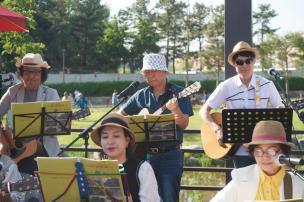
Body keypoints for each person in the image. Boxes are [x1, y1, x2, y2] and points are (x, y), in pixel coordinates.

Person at [118, 53, 193, 202]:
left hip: (169, 156)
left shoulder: (179, 93)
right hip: (142, 156)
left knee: (168, 197)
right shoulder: (141, 95)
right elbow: (119, 115)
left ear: (164, 72)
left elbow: (184, 123)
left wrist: (176, 110)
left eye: (153, 71)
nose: (149, 75)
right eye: (146, 72)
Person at [199, 41, 284, 168]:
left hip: (264, 149)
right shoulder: (225, 86)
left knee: (265, 186)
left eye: (248, 61)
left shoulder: (267, 85)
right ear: (234, 64)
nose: (244, 65)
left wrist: (280, 110)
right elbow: (203, 111)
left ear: (254, 61)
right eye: (240, 62)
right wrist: (217, 129)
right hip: (239, 151)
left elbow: (280, 108)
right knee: (244, 186)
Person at [0, 53, 61, 201]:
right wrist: (3, 141)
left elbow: (58, 124)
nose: (31, 76)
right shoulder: (13, 92)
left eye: (35, 72)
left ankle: (17, 194)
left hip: (43, 149)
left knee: (32, 149)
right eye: (27, 71)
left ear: (42, 74)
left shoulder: (51, 94)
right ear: (21, 74)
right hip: (15, 147)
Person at [211, 120, 304, 202]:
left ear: (284, 151)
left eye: (271, 151)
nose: (264, 156)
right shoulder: (241, 177)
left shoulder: (297, 182)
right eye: (258, 151)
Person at [91, 112, 160, 202]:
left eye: (116, 136)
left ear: (127, 140)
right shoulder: (96, 169)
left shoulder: (142, 168)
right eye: (105, 137)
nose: (110, 141)